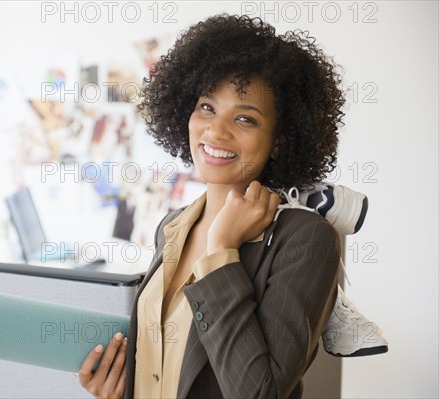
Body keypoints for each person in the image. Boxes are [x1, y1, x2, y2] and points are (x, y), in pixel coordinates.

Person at [78, 14, 380, 398]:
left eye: (244, 118)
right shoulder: (172, 226)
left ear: (280, 140)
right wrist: (119, 389)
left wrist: (221, 250)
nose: (216, 131)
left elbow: (258, 392)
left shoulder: (304, 239)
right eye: (206, 107)